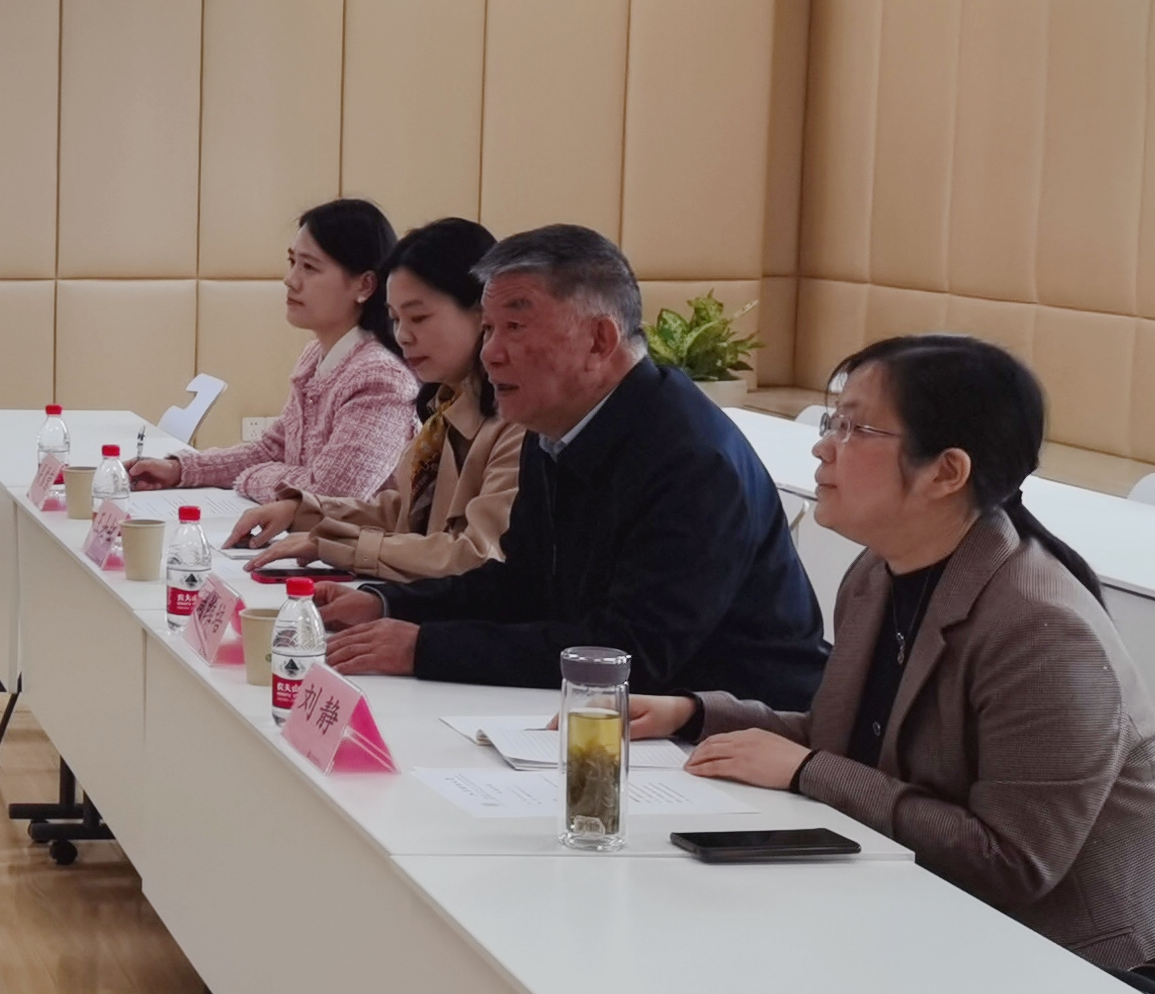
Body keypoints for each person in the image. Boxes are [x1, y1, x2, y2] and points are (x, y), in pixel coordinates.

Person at [632, 336, 1155, 970]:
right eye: (831, 422)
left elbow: (1012, 864)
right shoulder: (876, 575)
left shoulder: (1046, 633)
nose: (823, 446)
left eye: (854, 428)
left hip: (1072, 973)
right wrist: (692, 714)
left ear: (947, 472)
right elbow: (844, 744)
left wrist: (806, 769)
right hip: (919, 923)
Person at [318, 223, 825, 705]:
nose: (490, 353)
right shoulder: (556, 428)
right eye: (488, 328)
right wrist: (389, 604)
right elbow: (522, 584)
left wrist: (425, 648)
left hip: (730, 727)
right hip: (615, 711)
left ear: (600, 340)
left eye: (515, 327)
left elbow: (631, 653)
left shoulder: (691, 460)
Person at [229, 215, 521, 580]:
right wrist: (301, 510)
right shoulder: (445, 405)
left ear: (482, 313)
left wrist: (340, 544)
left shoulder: (517, 422)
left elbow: (475, 553)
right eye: (395, 320)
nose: (403, 336)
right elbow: (407, 514)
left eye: (418, 318)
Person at [125, 197, 418, 512]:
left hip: (351, 544)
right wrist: (179, 470)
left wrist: (254, 477)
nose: (290, 280)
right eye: (293, 262)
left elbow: (328, 495)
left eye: (309, 267)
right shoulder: (316, 356)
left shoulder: (381, 378)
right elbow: (271, 449)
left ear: (365, 285)